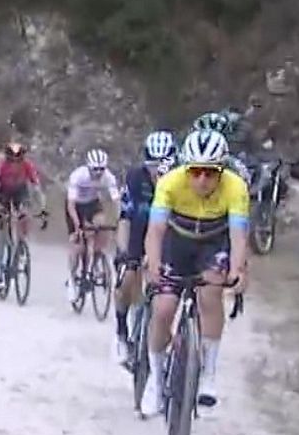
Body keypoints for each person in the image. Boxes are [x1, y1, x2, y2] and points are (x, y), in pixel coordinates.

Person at [142, 129, 250, 414]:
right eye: (195, 171)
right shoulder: (169, 182)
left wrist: (238, 269)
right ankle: (155, 376)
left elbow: (239, 235)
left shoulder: (236, 187)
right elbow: (155, 231)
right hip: (176, 242)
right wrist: (153, 265)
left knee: (210, 295)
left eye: (210, 173)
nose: (202, 179)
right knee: (163, 308)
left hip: (213, 243)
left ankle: (209, 375)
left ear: (222, 170)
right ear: (185, 168)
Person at [114, 130, 177, 362]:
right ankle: (121, 333)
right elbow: (124, 218)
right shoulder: (134, 178)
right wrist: (124, 253)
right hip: (138, 231)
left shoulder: (180, 181)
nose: (156, 172)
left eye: (162, 167)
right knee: (128, 278)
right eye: (152, 166)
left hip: (169, 236)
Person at [65, 149, 121, 306]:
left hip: (92, 204)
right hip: (75, 206)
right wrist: (77, 225)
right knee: (77, 244)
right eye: (95, 169)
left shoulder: (108, 177)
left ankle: (94, 261)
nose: (98, 173)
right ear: (88, 167)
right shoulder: (78, 176)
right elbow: (70, 204)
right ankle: (71, 279)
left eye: (101, 169)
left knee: (101, 226)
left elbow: (116, 201)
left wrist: (119, 220)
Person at [0, 142, 48, 245]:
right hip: (4, 190)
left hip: (20, 190)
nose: (15, 161)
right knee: (2, 214)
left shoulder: (27, 164)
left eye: (18, 158)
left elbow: (37, 187)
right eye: (11, 158)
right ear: (7, 156)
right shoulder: (1, 164)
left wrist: (42, 208)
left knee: (24, 212)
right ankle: (1, 237)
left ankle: (23, 238)